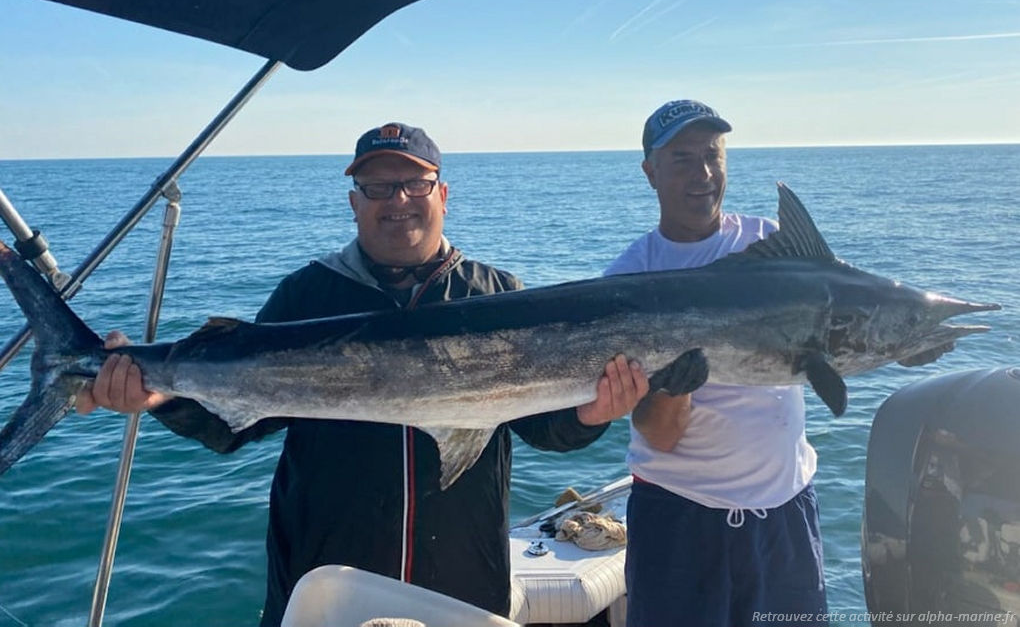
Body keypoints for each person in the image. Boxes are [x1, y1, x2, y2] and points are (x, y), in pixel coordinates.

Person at [77, 122, 650, 626]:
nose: (398, 199)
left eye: (415, 183)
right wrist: (159, 398)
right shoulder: (307, 295)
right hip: (327, 575)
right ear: (355, 202)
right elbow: (234, 425)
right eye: (378, 187)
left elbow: (544, 428)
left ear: (443, 194)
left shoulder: (496, 293)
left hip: (464, 575)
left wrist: (591, 414)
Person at [607, 101, 827, 627]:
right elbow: (659, 436)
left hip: (786, 518)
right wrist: (676, 388)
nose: (703, 173)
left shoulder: (772, 247)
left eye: (712, 155)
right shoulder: (629, 279)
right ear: (650, 172)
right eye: (682, 159)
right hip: (681, 521)